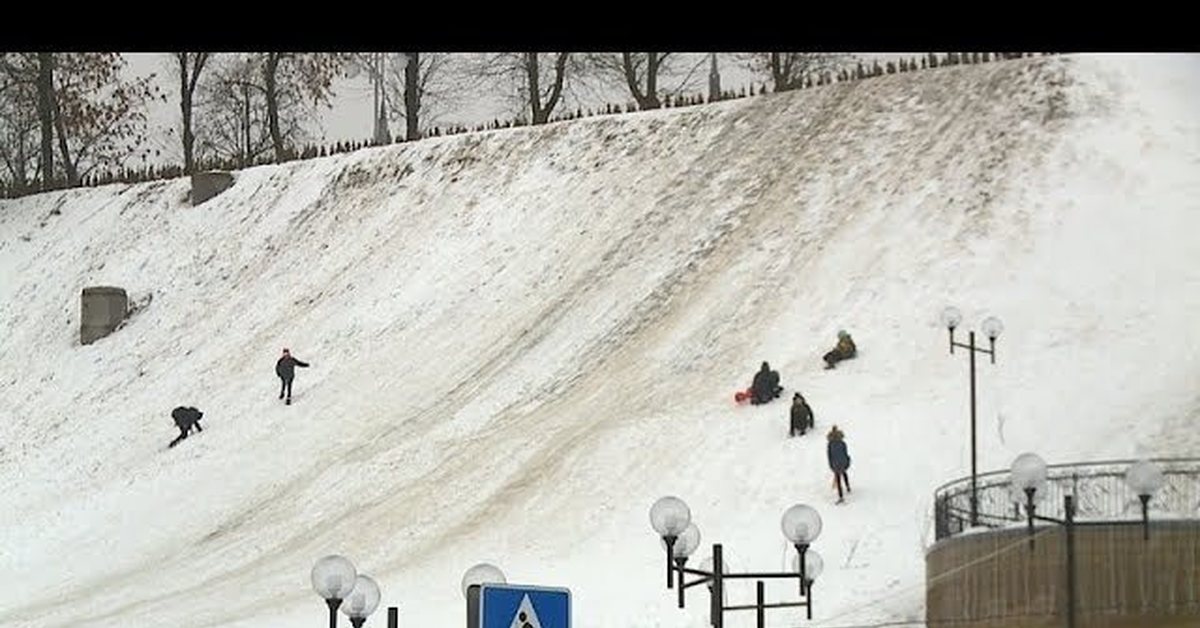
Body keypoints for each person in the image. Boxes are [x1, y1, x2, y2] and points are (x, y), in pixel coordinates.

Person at [826, 425, 851, 503]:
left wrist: (831, 464)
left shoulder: (830, 444)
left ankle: (841, 496)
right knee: (844, 473)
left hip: (835, 463)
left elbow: (829, 455)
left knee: (838, 478)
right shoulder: (843, 443)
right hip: (843, 462)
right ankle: (848, 487)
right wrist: (847, 460)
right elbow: (845, 453)